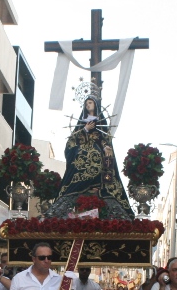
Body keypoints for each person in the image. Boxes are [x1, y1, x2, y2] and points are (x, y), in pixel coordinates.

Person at [45, 89, 134, 220]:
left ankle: (98, 184)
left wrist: (106, 147)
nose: (88, 105)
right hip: (82, 159)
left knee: (99, 155)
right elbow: (71, 144)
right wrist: (85, 130)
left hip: (98, 157)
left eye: (91, 102)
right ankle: (80, 184)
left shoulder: (101, 123)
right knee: (82, 153)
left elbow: (104, 139)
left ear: (95, 105)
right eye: (86, 103)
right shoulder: (81, 124)